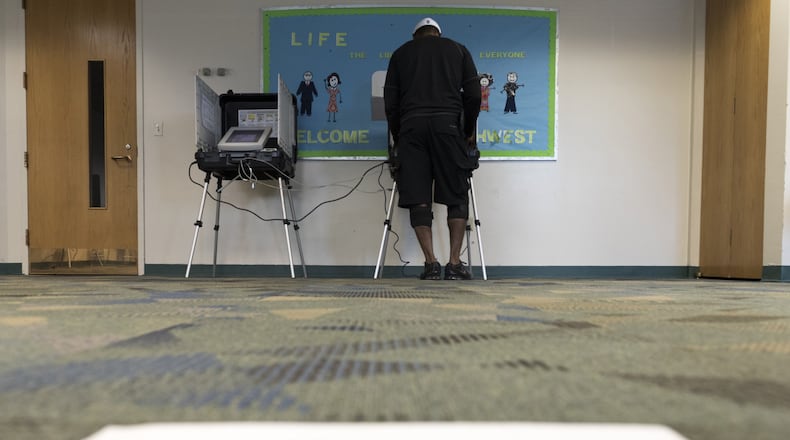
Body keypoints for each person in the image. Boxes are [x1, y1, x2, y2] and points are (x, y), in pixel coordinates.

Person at [384, 17, 481, 280]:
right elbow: (473, 94)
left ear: (415, 35)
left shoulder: (401, 54)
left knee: (419, 196)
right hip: (448, 127)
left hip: (412, 129)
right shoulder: (459, 49)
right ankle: (454, 264)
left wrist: (398, 134)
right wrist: (468, 129)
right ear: (438, 34)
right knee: (456, 194)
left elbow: (390, 102)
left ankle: (431, 264)